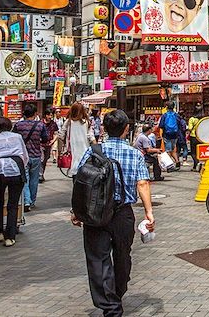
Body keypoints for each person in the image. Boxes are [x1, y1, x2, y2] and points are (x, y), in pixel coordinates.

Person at [71, 110, 155, 317]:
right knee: (122, 256)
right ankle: (116, 294)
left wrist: (76, 210)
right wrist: (148, 212)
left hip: (95, 213)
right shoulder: (134, 153)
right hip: (122, 214)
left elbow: (81, 182)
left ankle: (110, 303)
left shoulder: (93, 152)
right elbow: (142, 183)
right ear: (127, 130)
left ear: (104, 129)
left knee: (98, 259)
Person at [0, 117, 28, 247]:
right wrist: (21, 167)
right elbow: (25, 156)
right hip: (16, 171)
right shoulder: (18, 137)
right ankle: (10, 237)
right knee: (13, 204)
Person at [13, 104, 48, 212]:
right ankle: (32, 201)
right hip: (36, 156)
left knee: (25, 179)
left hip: (23, 157)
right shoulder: (40, 125)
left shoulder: (18, 125)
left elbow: (13, 138)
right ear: (35, 114)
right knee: (34, 180)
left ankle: (26, 201)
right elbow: (45, 139)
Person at [64, 102, 93, 177]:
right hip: (86, 155)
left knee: (75, 177)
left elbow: (61, 135)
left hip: (73, 154)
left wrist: (60, 151)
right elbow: (91, 138)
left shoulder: (69, 122)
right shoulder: (86, 123)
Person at [157, 101, 183, 169]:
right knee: (173, 149)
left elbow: (161, 125)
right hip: (175, 135)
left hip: (167, 135)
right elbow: (180, 124)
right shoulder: (176, 115)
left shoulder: (164, 115)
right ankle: (177, 162)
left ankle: (169, 165)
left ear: (167, 107)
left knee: (168, 150)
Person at [40, 108, 59, 182]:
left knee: (45, 159)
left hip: (48, 144)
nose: (50, 117)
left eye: (51, 115)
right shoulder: (40, 123)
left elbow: (56, 133)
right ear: (45, 115)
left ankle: (41, 174)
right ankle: (40, 175)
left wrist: (53, 141)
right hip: (40, 144)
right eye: (49, 115)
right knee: (42, 159)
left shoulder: (53, 124)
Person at [187, 105, 203, 171]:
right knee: (199, 152)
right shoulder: (202, 118)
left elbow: (190, 128)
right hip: (201, 137)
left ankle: (197, 163)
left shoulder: (192, 119)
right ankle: (195, 166)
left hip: (193, 137)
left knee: (193, 152)